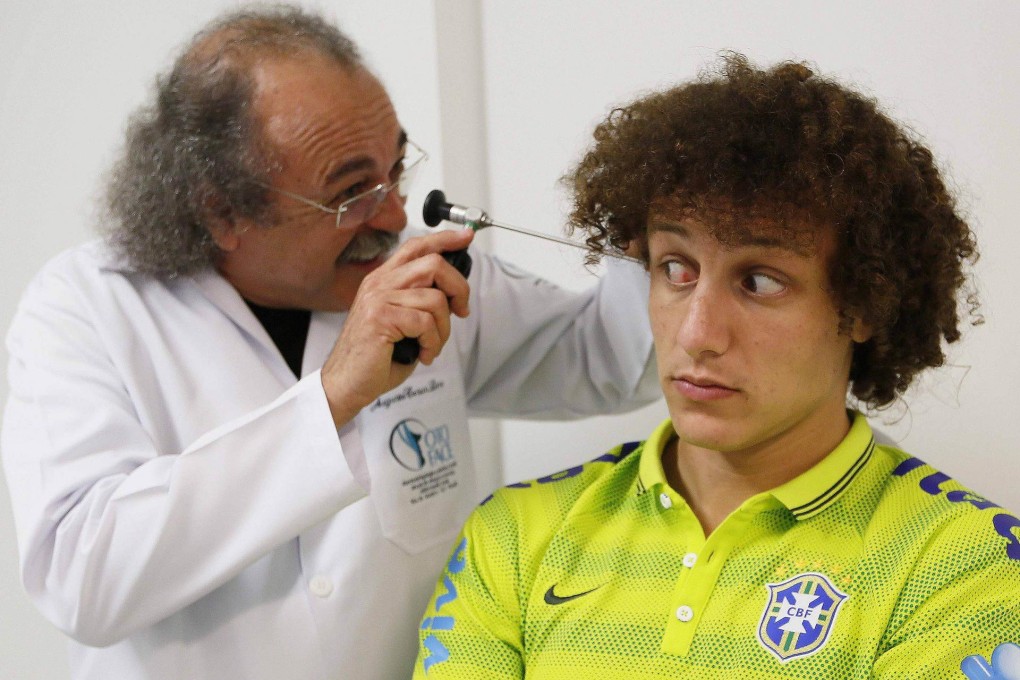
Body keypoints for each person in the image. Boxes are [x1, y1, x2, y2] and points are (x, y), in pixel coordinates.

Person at [0, 6, 659, 680]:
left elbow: (612, 360)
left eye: (395, 170)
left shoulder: (424, 277)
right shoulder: (85, 309)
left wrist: (655, 218)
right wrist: (335, 396)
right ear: (221, 211)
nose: (397, 216)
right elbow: (83, 580)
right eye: (352, 193)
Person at [414, 54, 1020, 678]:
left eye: (759, 281)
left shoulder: (967, 564)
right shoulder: (514, 537)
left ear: (865, 304)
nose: (698, 334)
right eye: (675, 268)